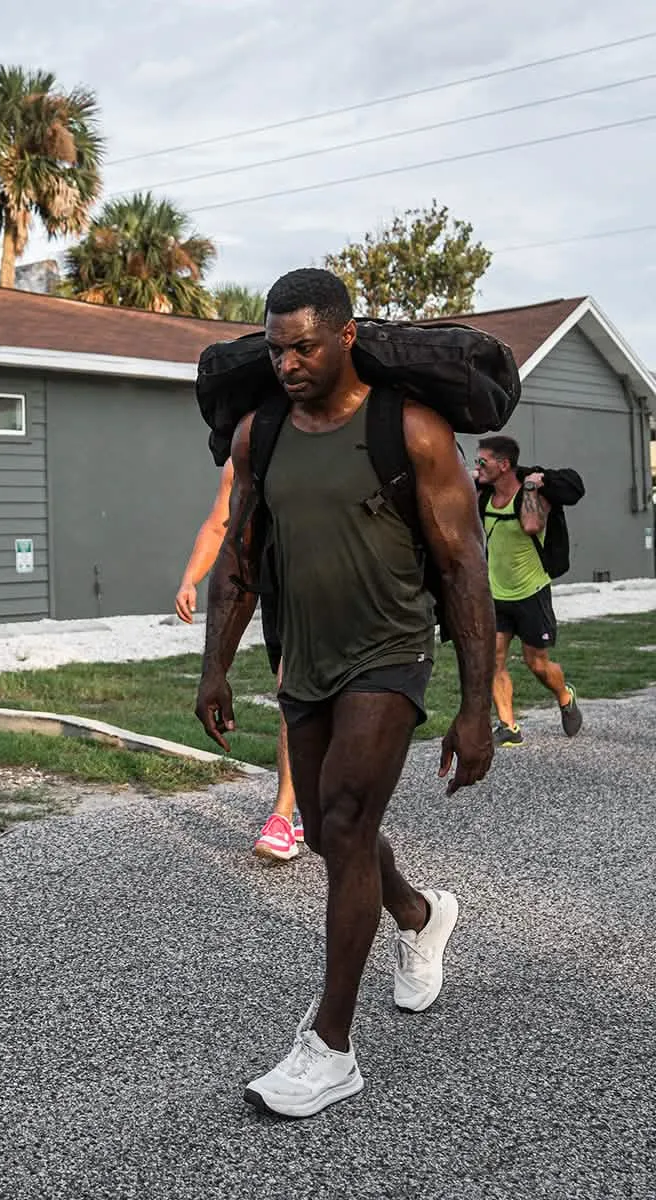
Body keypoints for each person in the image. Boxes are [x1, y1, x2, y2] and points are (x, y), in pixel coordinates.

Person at [195, 268, 495, 1118]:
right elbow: (241, 557)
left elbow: (464, 569)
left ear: (345, 337)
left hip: (391, 652)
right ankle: (420, 912)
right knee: (333, 834)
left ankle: (329, 1046)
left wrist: (477, 711)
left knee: (348, 820)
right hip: (306, 657)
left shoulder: (414, 432)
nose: (286, 362)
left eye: (303, 346)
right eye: (275, 347)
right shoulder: (263, 435)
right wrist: (214, 665)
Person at [176, 458, 304, 860]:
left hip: (352, 591)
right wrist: (190, 580)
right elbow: (220, 525)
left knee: (337, 705)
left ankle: (312, 804)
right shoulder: (248, 453)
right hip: (285, 595)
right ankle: (284, 814)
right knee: (291, 689)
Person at [473, 436, 583, 747]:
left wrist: (533, 487)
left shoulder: (532, 494)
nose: (477, 466)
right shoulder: (483, 495)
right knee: (492, 661)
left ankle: (564, 695)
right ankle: (508, 726)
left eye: (483, 462)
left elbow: (533, 525)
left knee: (537, 663)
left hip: (531, 593)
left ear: (504, 465)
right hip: (496, 594)